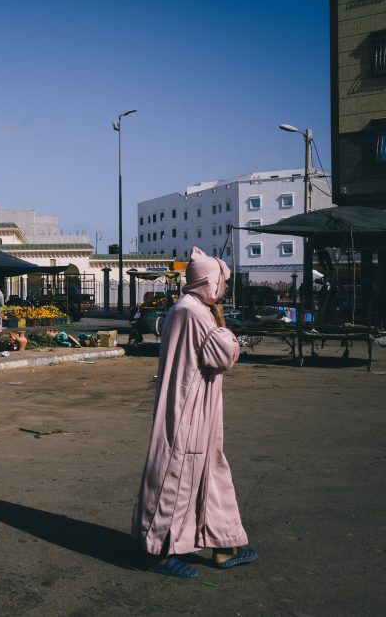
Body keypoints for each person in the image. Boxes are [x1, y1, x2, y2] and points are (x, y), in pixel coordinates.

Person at [131, 247, 257, 579]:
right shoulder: (195, 313)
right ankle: (159, 552)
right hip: (189, 407)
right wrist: (223, 326)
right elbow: (224, 355)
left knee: (208, 471)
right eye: (222, 282)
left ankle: (223, 543)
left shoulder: (186, 308)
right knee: (177, 472)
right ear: (210, 282)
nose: (225, 289)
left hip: (195, 404)